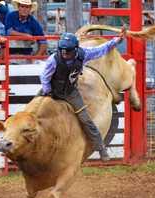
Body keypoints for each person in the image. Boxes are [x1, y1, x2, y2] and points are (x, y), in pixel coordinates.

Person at [39, 27, 127, 161]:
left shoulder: (83, 54)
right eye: (62, 50)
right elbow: (45, 77)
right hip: (52, 90)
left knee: (86, 120)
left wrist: (117, 40)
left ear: (74, 50)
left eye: (67, 51)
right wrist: (47, 91)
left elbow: (101, 50)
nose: (64, 53)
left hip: (70, 92)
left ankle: (101, 148)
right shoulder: (53, 60)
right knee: (34, 111)